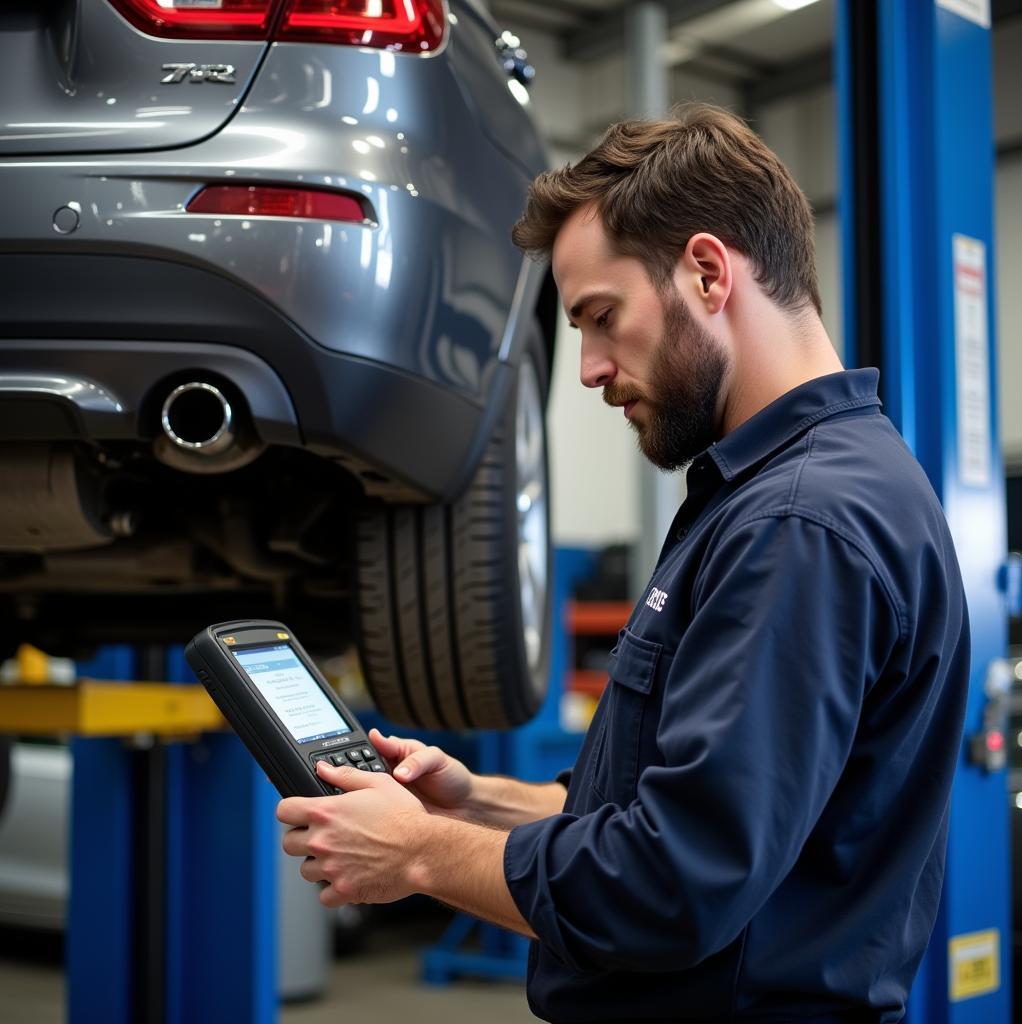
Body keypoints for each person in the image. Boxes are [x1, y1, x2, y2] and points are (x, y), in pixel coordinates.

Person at [277, 105, 970, 1023]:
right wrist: (472, 803)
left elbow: (671, 885)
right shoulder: (776, 498)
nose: (590, 370)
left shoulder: (801, 524)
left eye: (602, 318)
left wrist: (416, 854)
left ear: (709, 272)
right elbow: (662, 813)